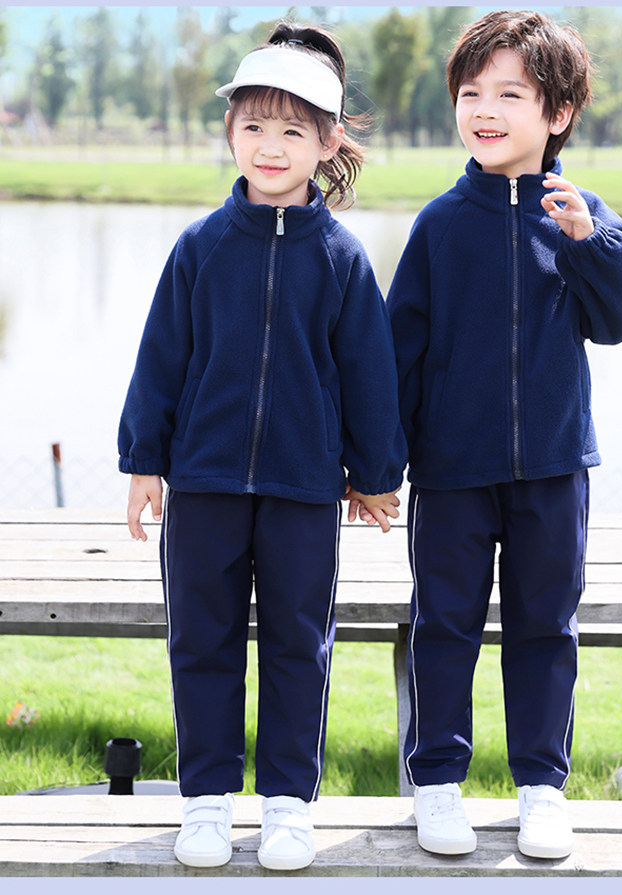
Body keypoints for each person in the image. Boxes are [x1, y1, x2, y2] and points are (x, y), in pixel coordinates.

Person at [118, 23, 405, 872]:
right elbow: (161, 359)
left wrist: (375, 473)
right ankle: (205, 801)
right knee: (201, 642)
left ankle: (287, 804)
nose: (270, 146)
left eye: (291, 130)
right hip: (204, 483)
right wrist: (144, 459)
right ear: (229, 132)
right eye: (253, 126)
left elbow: (370, 374)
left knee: (297, 645)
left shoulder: (343, 259)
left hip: (304, 490)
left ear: (327, 142)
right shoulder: (199, 248)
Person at [386, 9, 622, 860]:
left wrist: (588, 243)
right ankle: (436, 783)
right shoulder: (438, 225)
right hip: (451, 473)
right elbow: (398, 355)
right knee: (442, 625)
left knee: (546, 627)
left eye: (510, 94)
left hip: (553, 468)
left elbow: (620, 319)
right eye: (472, 94)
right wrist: (379, 464)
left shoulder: (582, 215)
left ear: (558, 112)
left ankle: (542, 787)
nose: (485, 110)